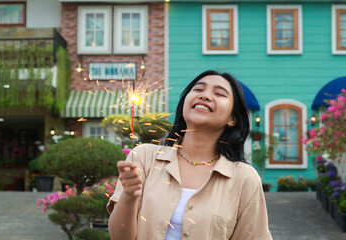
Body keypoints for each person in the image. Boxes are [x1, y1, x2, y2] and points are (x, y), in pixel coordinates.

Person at [107, 70, 272, 240]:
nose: (205, 96)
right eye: (198, 90)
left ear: (232, 118)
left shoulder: (244, 178)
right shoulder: (144, 157)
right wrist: (129, 196)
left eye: (219, 93)